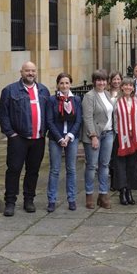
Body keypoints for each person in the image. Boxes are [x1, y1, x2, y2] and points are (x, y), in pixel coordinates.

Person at [0, 61, 51, 216]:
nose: (30, 73)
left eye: (33, 71)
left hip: (38, 139)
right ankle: (10, 202)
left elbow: (48, 113)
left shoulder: (43, 90)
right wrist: (11, 134)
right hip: (18, 138)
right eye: (27, 71)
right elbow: (3, 114)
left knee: (33, 171)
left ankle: (29, 200)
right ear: (21, 72)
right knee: (14, 170)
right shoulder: (10, 91)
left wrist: (45, 130)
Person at [45, 72, 82, 212]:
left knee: (71, 169)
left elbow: (79, 120)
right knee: (54, 169)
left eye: (67, 83)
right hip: (56, 138)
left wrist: (69, 136)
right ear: (57, 85)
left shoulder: (76, 100)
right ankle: (52, 200)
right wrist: (60, 138)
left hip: (71, 138)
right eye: (62, 83)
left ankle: (71, 199)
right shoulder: (52, 100)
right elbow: (49, 121)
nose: (64, 86)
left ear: (70, 84)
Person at [81, 70, 115, 209]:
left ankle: (103, 193)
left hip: (108, 134)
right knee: (91, 166)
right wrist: (93, 136)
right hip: (94, 136)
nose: (101, 83)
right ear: (94, 81)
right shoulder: (89, 97)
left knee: (105, 165)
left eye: (103, 80)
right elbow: (87, 118)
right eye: (98, 80)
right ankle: (89, 194)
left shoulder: (107, 94)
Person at [113, 77, 137, 206]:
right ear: (121, 87)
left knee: (132, 165)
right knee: (120, 166)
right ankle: (122, 191)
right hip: (120, 137)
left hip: (133, 137)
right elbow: (112, 118)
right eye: (126, 85)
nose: (128, 88)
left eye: (131, 86)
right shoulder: (115, 101)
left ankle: (129, 190)